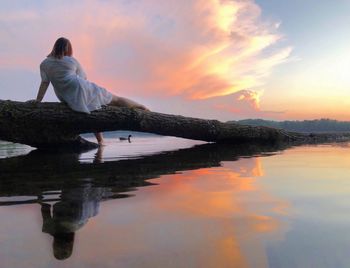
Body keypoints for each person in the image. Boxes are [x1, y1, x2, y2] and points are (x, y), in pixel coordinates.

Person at [31, 37, 148, 145]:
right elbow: (83, 77)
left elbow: (45, 83)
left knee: (90, 111)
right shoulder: (71, 61)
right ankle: (140, 107)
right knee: (115, 99)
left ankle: (101, 141)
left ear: (55, 47)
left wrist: (38, 100)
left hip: (64, 95)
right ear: (67, 49)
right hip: (79, 87)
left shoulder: (44, 64)